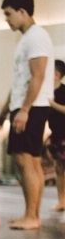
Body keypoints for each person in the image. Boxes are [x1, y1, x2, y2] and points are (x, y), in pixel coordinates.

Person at [0, 0, 54, 230]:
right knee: (32, 162)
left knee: (24, 160)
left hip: (32, 107)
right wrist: (3, 112)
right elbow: (19, 81)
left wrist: (25, 110)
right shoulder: (27, 39)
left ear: (22, 12)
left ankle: (32, 216)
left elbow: (37, 77)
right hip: (25, 106)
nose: (6, 19)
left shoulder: (36, 37)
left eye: (8, 14)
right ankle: (32, 214)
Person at [47, 59, 65, 211]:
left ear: (57, 74)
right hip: (56, 135)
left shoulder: (63, 91)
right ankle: (62, 201)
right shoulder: (47, 92)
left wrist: (52, 104)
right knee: (58, 169)